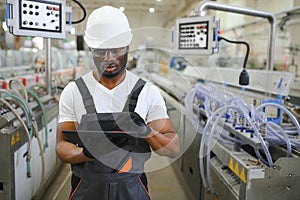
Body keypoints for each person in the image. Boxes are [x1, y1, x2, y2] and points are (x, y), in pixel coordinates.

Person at [56, 5, 179, 200]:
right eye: (100, 51)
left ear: (128, 46)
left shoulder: (146, 92)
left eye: (116, 50)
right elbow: (62, 146)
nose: (109, 58)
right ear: (91, 49)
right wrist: (88, 153)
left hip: (132, 189)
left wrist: (146, 132)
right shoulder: (74, 91)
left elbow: (173, 148)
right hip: (87, 189)